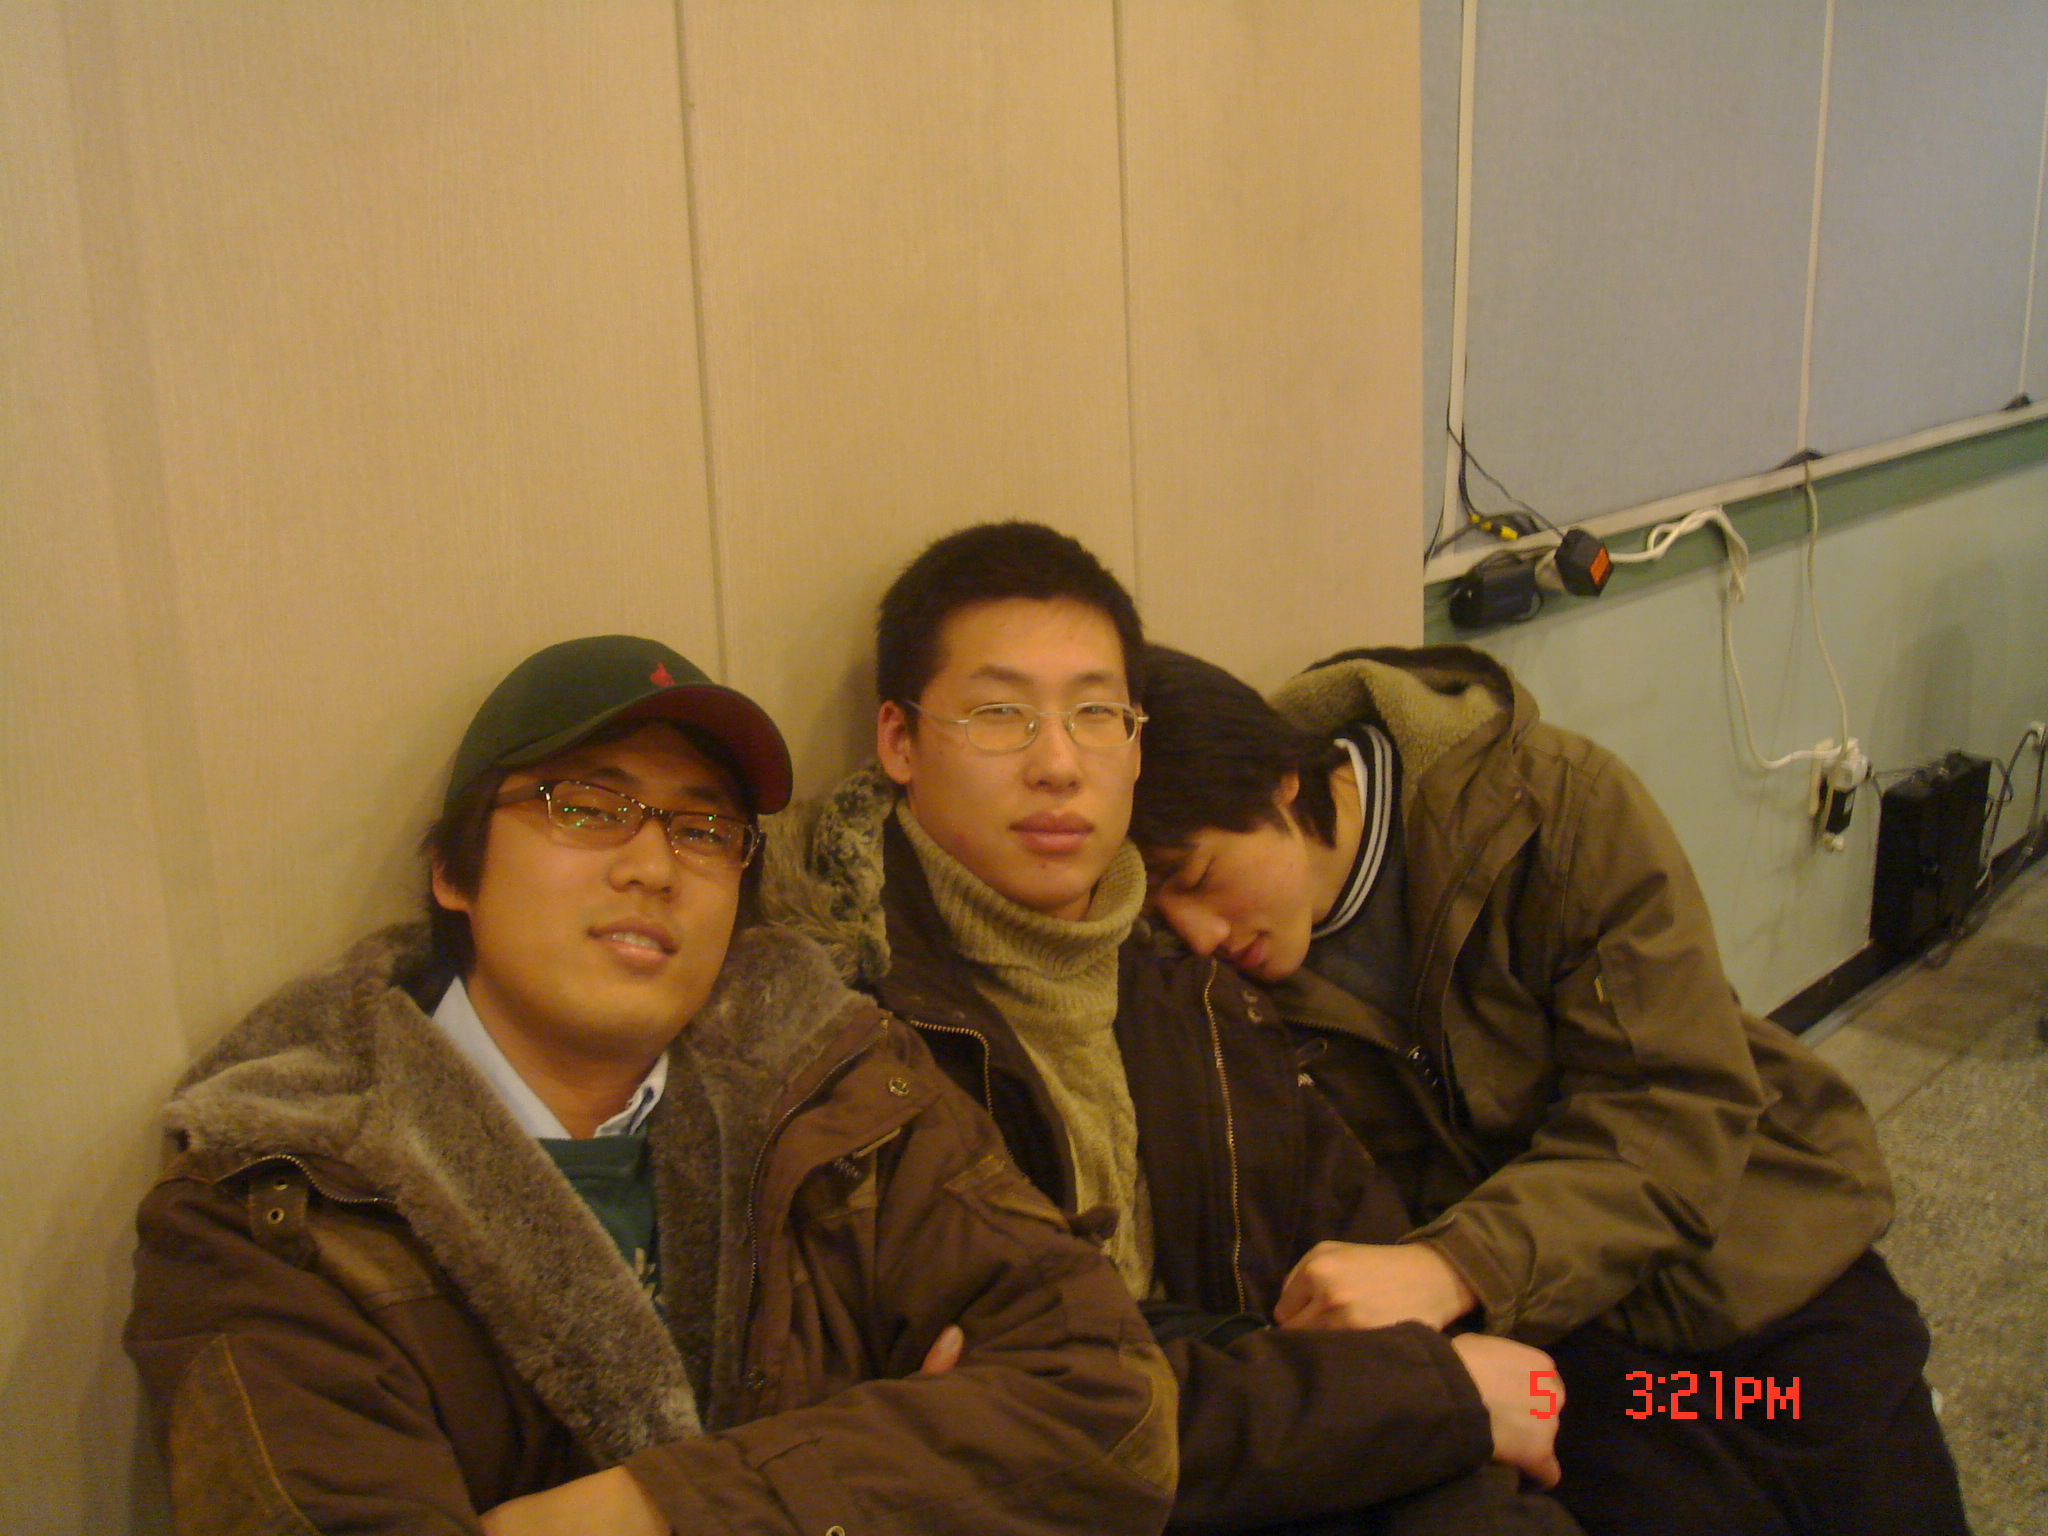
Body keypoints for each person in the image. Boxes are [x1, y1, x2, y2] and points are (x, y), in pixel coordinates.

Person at [125, 634, 1177, 1536]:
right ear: (453, 870)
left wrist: (645, 1511)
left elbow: (1113, 1408)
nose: (653, 865)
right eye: (586, 806)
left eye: (702, 827)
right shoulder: (280, 1196)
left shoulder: (846, 1094)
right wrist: (896, 1463)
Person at [762, 523, 1581, 1535]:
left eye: (1095, 714)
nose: (1058, 764)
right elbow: (1031, 1418)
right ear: (898, 741)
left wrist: (1430, 1390)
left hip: (1294, 1457)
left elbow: (1361, 1275)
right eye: (999, 714)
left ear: (1137, 740)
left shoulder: (1195, 991)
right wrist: (1426, 1399)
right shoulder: (842, 1018)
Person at [1128, 641, 1970, 1536]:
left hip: (1751, 1257)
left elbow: (1677, 1106)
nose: (1200, 933)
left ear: (1281, 784)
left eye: (1200, 878)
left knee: (1865, 1472)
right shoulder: (1207, 989)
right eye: (1160, 914)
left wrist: (1454, 1265)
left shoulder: (1547, 803)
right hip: (1565, 1347)